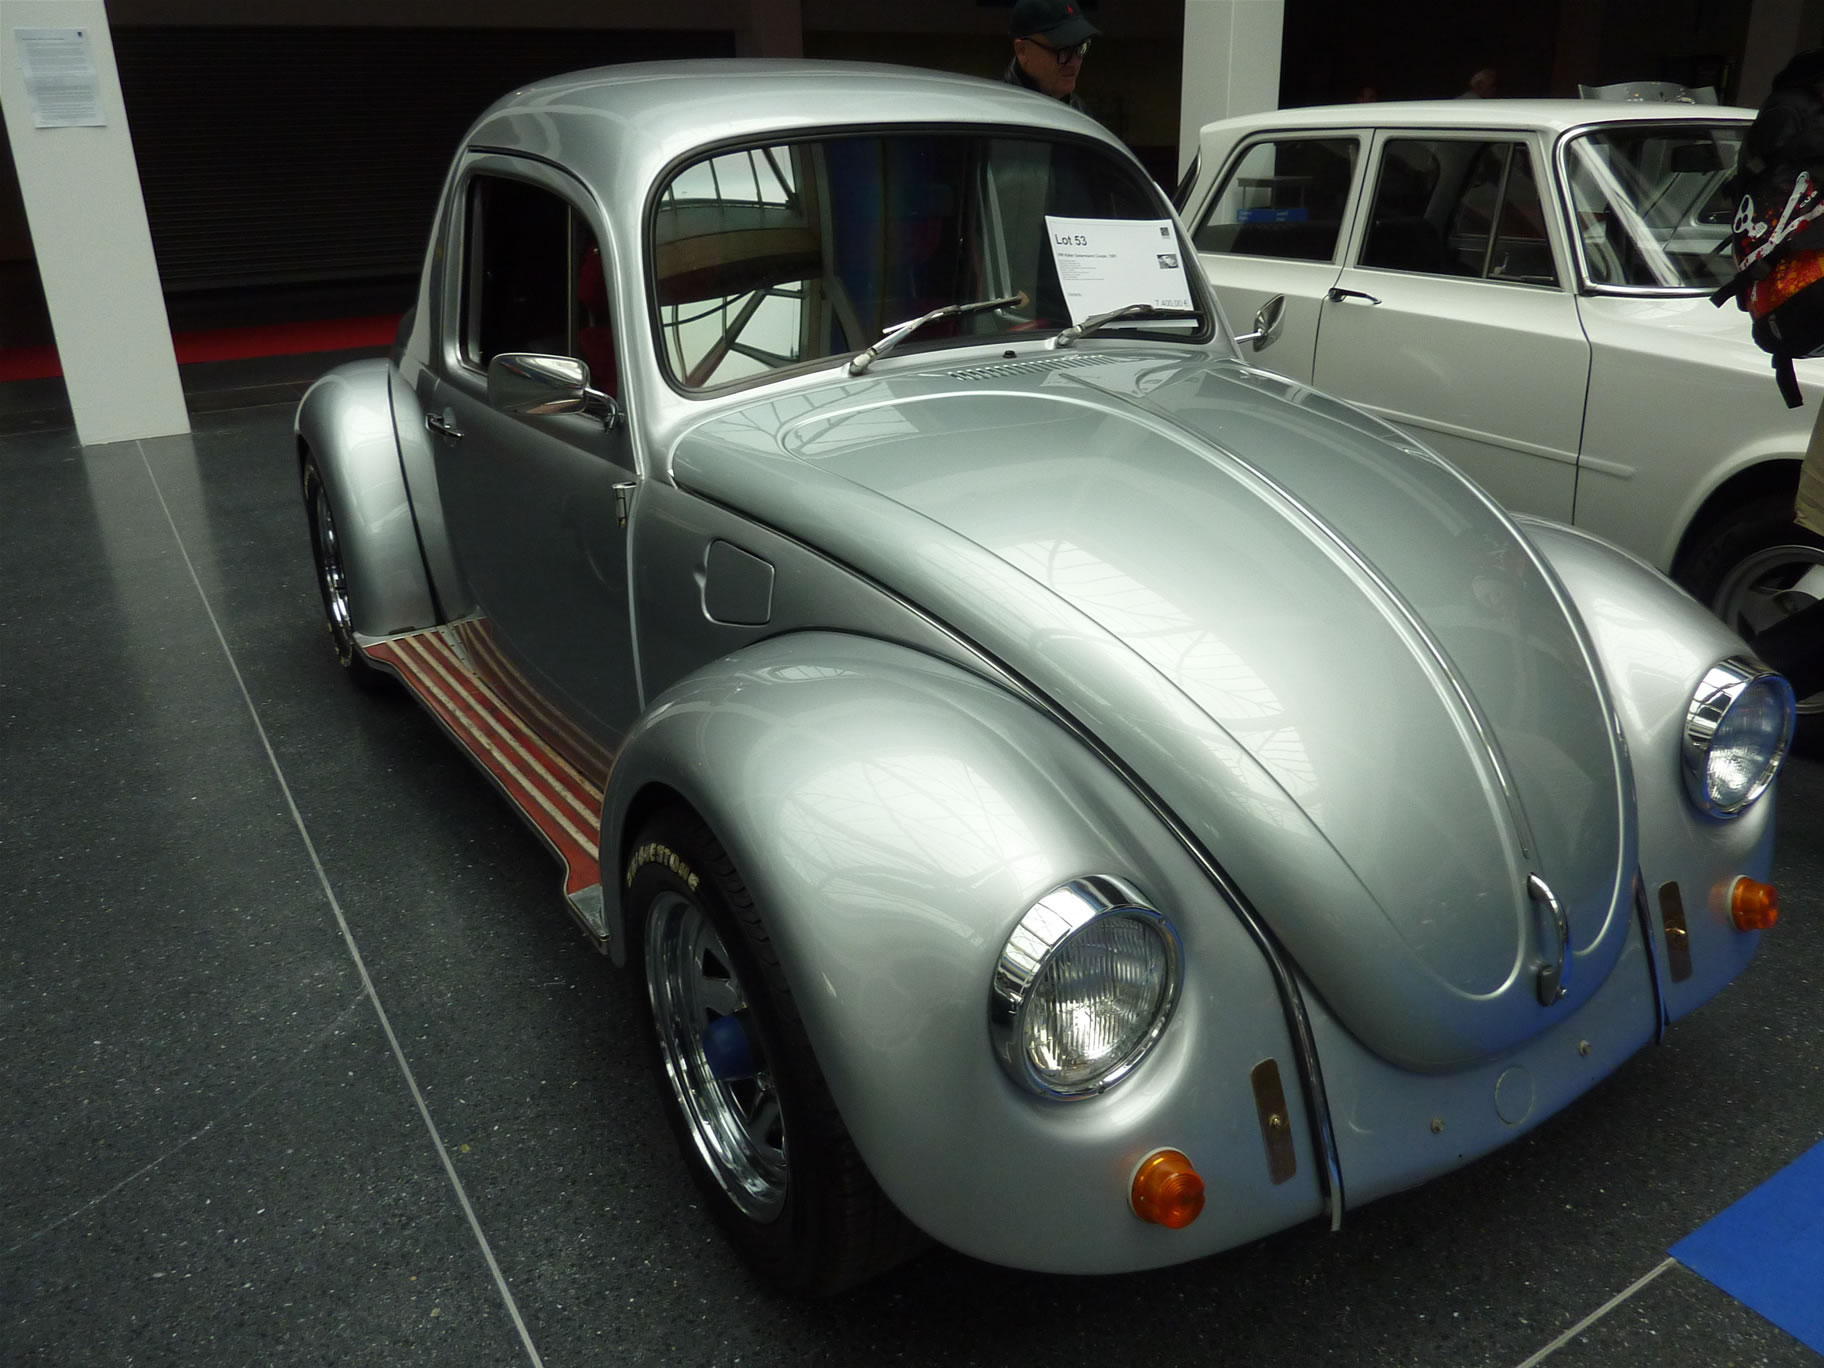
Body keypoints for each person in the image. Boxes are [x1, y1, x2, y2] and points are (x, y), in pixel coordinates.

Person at [1004, 0, 1098, 114]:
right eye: (1063, 50)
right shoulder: (1000, 115)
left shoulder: (1079, 111)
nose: (1074, 62)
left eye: (1081, 48)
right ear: (1022, 51)